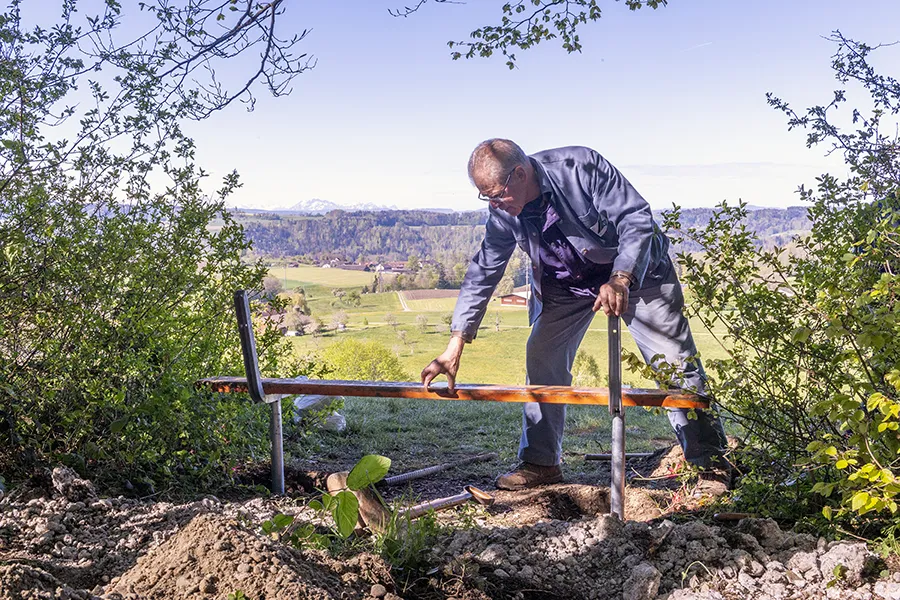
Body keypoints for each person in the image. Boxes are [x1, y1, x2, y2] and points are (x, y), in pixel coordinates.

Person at [420, 139, 729, 492]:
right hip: (565, 284)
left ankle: (711, 466)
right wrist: (455, 343)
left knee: (673, 363)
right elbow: (483, 271)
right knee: (542, 356)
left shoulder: (581, 168)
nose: (493, 204)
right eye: (485, 197)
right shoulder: (504, 212)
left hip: (637, 273)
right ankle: (540, 463)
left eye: (496, 194)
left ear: (520, 174)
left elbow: (636, 220)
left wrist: (621, 278)